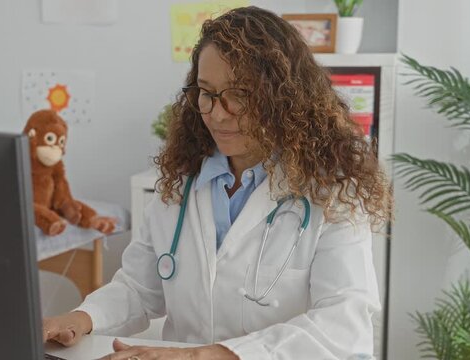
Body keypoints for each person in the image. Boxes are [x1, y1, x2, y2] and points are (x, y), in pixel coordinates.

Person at [43, 6, 391, 360]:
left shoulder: (330, 192)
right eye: (206, 93)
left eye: (240, 95)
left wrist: (210, 355)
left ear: (283, 98)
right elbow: (138, 287)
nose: (218, 113)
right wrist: (82, 318)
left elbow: (342, 324)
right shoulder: (180, 182)